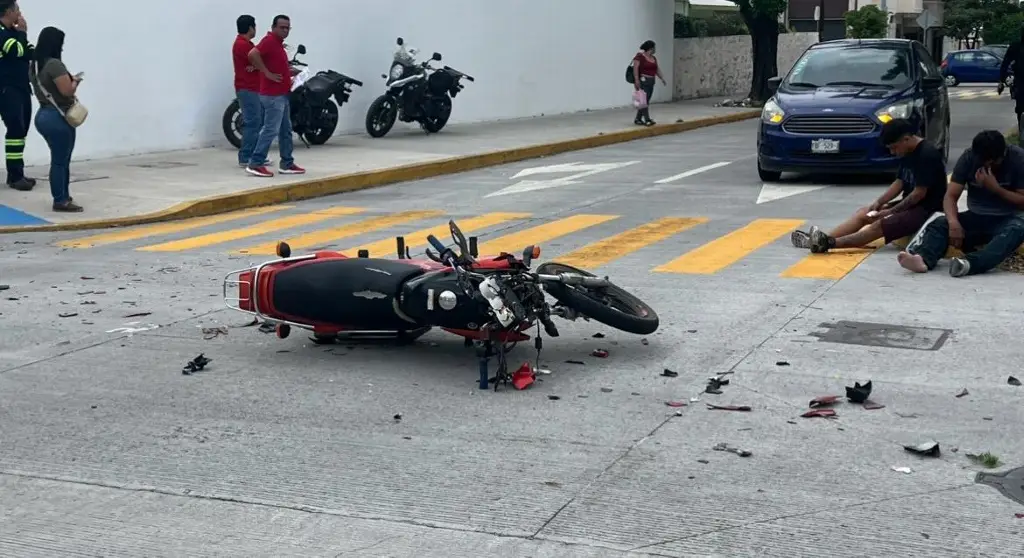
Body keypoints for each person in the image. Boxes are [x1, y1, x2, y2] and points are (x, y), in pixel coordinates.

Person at [791, 119, 947, 253]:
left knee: (878, 225)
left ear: (906, 139)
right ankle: (823, 238)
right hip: (911, 205)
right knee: (864, 213)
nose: (893, 152)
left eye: (894, 147)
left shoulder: (927, 154)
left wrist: (889, 212)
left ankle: (828, 244)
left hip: (927, 209)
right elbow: (899, 182)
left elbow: (918, 194)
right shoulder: (907, 152)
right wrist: (879, 203)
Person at [898, 130, 1024, 277]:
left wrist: (996, 189)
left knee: (1016, 229)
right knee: (940, 223)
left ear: (1002, 154)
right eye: (983, 161)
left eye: (992, 162)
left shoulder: (1018, 159)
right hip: (976, 216)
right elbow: (950, 196)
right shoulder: (969, 158)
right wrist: (953, 223)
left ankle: (969, 264)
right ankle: (922, 259)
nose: (987, 165)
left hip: (1008, 218)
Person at [244, 14, 304, 178]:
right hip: (272, 95)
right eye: (282, 27)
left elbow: (276, 64)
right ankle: (256, 162)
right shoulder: (269, 41)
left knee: (285, 130)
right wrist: (267, 73)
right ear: (273, 27)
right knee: (270, 129)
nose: (285, 31)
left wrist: (291, 72)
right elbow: (252, 54)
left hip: (282, 94)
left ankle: (287, 163)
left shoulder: (278, 45)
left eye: (287, 28)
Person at [29, 26, 82, 212]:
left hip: (43, 115)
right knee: (61, 161)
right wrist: (75, 81)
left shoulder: (35, 65)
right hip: (58, 116)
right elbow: (66, 91)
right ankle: (61, 200)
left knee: (57, 159)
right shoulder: (54, 65)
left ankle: (62, 195)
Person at [0, 0, 36, 191]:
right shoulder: (2, 33)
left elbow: (29, 51)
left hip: (21, 87)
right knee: (15, 130)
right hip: (7, 89)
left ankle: (17, 172)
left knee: (21, 131)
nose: (20, 13)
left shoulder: (12, 34)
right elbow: (16, 50)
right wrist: (22, 33)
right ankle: (15, 176)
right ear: (8, 11)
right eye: (17, 10)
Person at [232, 15, 270, 169]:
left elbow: (256, 62)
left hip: (253, 88)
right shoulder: (242, 45)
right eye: (254, 26)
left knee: (257, 121)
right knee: (253, 123)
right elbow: (260, 59)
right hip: (247, 88)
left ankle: (255, 155)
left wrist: (254, 66)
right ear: (250, 28)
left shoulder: (246, 44)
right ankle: (246, 156)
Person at [631, 40, 666, 127]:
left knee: (646, 101)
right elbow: (635, 69)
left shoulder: (653, 58)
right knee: (644, 101)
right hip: (643, 81)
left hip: (651, 81)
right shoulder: (639, 57)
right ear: (650, 48)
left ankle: (638, 119)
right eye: (654, 47)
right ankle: (647, 119)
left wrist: (662, 78)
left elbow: (657, 69)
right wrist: (636, 80)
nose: (655, 49)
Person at [999, 26, 1024, 140]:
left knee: (1020, 108)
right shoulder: (1016, 47)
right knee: (1020, 107)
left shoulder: (1015, 46)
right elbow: (1005, 64)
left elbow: (1005, 63)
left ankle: (1021, 131)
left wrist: (1001, 80)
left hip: (1020, 82)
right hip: (1020, 82)